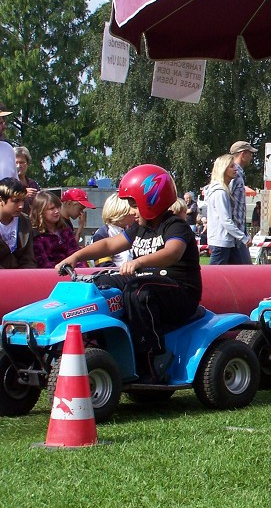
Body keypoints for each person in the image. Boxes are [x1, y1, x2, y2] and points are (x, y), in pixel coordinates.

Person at [55, 164, 202, 383]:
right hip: (149, 285)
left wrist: (138, 262)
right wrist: (75, 257)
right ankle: (103, 342)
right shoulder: (139, 228)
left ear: (152, 201)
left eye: (134, 205)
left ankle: (154, 357)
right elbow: (108, 245)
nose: (130, 211)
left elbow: (173, 252)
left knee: (138, 290)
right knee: (102, 282)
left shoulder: (175, 225)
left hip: (179, 291)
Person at [206, 154, 251, 265]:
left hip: (227, 241)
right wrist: (243, 237)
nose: (235, 169)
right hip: (221, 242)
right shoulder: (220, 193)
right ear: (223, 169)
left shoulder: (221, 191)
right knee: (214, 278)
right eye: (231, 166)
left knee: (238, 274)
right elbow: (226, 221)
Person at [31, 191, 83, 269]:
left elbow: (75, 254)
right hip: (49, 275)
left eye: (58, 207)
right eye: (52, 209)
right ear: (40, 212)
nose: (57, 211)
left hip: (71, 272)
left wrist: (82, 271)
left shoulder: (65, 230)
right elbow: (43, 263)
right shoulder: (36, 234)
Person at [229, 141, 257, 265]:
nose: (252, 157)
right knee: (245, 269)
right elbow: (227, 198)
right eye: (250, 153)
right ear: (243, 154)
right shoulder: (234, 174)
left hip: (237, 230)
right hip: (235, 231)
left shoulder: (237, 173)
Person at [91, 194, 137, 267]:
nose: (134, 213)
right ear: (120, 212)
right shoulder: (102, 234)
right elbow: (104, 266)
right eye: (130, 210)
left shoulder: (131, 231)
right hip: (115, 276)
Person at [0, 178, 36, 269]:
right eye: (16, 201)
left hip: (20, 277)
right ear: (1, 200)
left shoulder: (24, 220)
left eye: (23, 200)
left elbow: (29, 257)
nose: (21, 206)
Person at [14, 147, 40, 215]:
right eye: (16, 163)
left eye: (22, 162)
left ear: (28, 164)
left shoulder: (33, 184)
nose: (19, 166)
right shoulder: (9, 183)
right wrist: (23, 194)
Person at [0, 103, 15, 181]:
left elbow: (15, 183)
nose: (4, 127)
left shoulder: (8, 148)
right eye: (0, 123)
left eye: (3, 122)